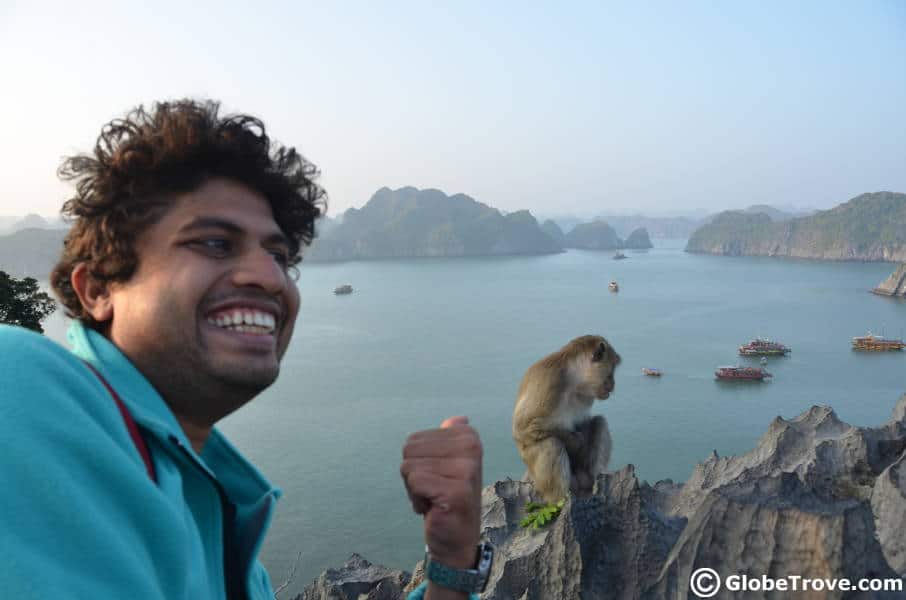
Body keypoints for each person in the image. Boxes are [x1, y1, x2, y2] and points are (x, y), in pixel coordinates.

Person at [0, 100, 485, 600]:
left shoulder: (220, 524)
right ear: (99, 289)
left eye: (277, 255)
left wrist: (451, 563)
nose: (268, 276)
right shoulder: (19, 384)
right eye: (214, 243)